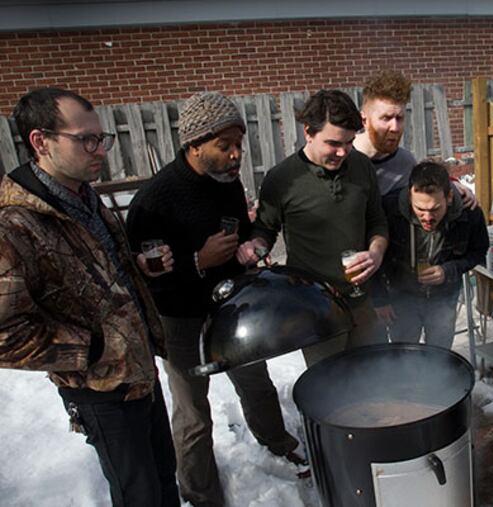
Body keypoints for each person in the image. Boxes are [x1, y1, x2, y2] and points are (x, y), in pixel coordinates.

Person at [0, 88, 179, 506]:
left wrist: (139, 269)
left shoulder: (82, 196)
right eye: (86, 140)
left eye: (101, 139)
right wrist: (95, 347)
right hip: (100, 393)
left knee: (164, 482)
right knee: (140, 497)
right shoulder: (14, 226)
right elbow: (5, 334)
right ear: (40, 142)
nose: (100, 149)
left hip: (139, 375)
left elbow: (93, 275)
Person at [126, 92, 302, 507]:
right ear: (194, 144)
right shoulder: (155, 201)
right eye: (224, 146)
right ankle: (201, 493)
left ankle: (278, 442)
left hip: (229, 306)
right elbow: (145, 280)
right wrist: (196, 261)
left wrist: (246, 250)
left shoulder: (228, 185)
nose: (236, 154)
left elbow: (239, 233)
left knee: (256, 382)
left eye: (239, 144)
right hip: (179, 318)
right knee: (193, 414)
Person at [237, 89, 389, 366]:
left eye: (349, 142)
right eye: (333, 143)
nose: (343, 152)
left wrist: (376, 253)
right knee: (329, 390)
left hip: (362, 301)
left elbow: (377, 221)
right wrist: (256, 247)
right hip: (315, 309)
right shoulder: (281, 178)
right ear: (308, 132)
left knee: (374, 378)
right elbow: (264, 230)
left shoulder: (362, 166)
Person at [372, 161, 487, 348]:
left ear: (449, 197)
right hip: (401, 298)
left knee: (440, 354)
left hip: (443, 298)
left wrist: (449, 270)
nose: (427, 217)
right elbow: (373, 253)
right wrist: (379, 298)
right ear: (410, 196)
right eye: (420, 210)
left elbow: (479, 251)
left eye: (435, 209)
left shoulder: (469, 214)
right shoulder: (389, 210)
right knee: (403, 353)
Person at [354, 69, 478, 203]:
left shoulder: (405, 163)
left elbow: (425, 181)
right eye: (386, 118)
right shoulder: (342, 158)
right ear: (364, 120)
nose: (395, 128)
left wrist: (450, 185)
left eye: (399, 118)